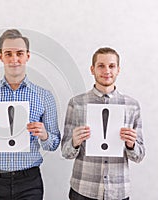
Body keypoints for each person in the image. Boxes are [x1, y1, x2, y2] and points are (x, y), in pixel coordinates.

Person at [0, 29, 61, 200]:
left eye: (19, 53)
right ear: (1, 56)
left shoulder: (44, 96)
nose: (14, 59)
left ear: (27, 56)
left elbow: (54, 144)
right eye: (8, 54)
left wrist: (45, 135)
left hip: (29, 181)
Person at [61, 47, 145, 200]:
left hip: (118, 191)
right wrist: (74, 142)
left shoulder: (132, 106)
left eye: (111, 66)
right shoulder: (76, 103)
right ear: (92, 69)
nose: (107, 70)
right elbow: (65, 152)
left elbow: (139, 156)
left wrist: (131, 145)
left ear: (118, 70)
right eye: (101, 66)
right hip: (83, 189)